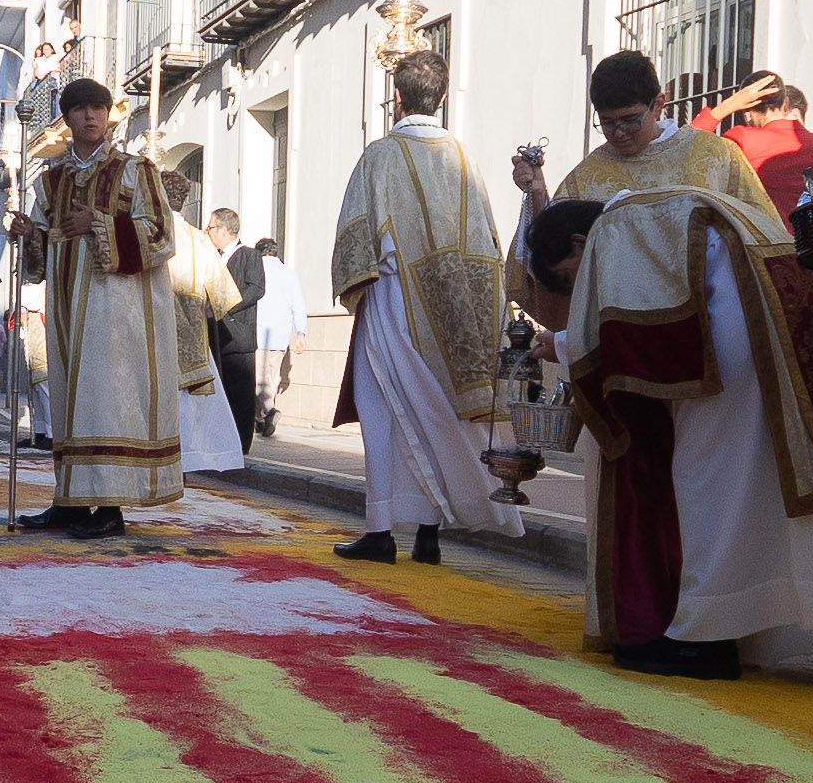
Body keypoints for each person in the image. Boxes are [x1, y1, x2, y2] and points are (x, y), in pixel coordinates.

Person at [523, 190, 813, 679]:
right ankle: (753, 624)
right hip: (786, 332)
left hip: (728, 353)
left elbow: (630, 329)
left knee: (707, 487)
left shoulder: (621, 224)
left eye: (570, 278)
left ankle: (703, 638)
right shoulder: (688, 201)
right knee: (763, 492)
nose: (580, 289)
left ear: (582, 242)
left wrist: (562, 345)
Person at [330, 49, 517, 563]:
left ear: (396, 97)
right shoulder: (463, 156)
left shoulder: (380, 155)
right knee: (439, 412)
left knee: (384, 414)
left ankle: (380, 529)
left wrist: (354, 282)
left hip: (395, 304)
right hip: (456, 310)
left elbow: (356, 235)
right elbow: (486, 236)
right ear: (442, 95)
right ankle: (429, 533)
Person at [18, 80, 184, 539]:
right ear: (66, 118)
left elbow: (162, 234)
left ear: (108, 115)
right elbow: (36, 263)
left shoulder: (135, 171)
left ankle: (110, 507)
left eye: (97, 108)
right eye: (79, 109)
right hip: (67, 307)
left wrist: (96, 224)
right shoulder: (48, 181)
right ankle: (70, 500)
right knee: (72, 396)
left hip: (117, 309)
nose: (89, 117)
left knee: (106, 397)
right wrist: (28, 236)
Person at [509, 47, 771, 311]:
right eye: (607, 122)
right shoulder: (587, 176)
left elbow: (764, 235)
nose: (619, 132)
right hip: (619, 323)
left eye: (630, 119)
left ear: (658, 104)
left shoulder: (715, 156)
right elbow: (550, 259)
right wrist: (538, 194)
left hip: (708, 310)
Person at [171, 211, 251, 478]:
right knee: (188, 396)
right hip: (191, 329)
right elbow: (224, 295)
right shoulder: (199, 240)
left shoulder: (147, 228)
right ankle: (187, 455)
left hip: (152, 322)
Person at [202, 208, 264, 451]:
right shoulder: (211, 257)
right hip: (214, 333)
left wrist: (226, 304)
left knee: (241, 393)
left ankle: (240, 444)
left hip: (239, 335)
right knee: (221, 392)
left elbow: (256, 288)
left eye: (211, 228)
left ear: (225, 230)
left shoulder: (249, 255)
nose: (208, 232)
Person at [252, 235, 303, 436]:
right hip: (281, 336)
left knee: (258, 379)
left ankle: (269, 412)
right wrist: (301, 332)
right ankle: (260, 420)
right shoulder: (289, 274)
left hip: (258, 333)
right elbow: (298, 305)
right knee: (271, 379)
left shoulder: (256, 271)